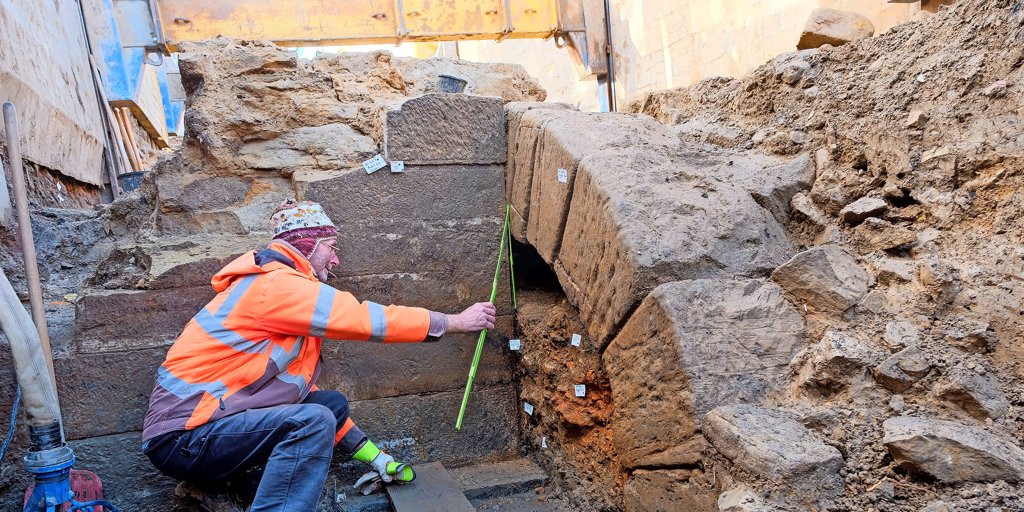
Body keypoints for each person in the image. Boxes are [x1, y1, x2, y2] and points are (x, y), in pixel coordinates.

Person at [140, 199, 496, 511]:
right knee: (312, 422)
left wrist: (378, 458)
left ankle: (230, 487)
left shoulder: (281, 292)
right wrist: (453, 322)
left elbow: (304, 398)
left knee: (327, 406)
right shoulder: (277, 285)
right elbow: (366, 319)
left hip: (207, 428)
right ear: (307, 245)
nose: (337, 259)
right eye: (332, 247)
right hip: (185, 437)